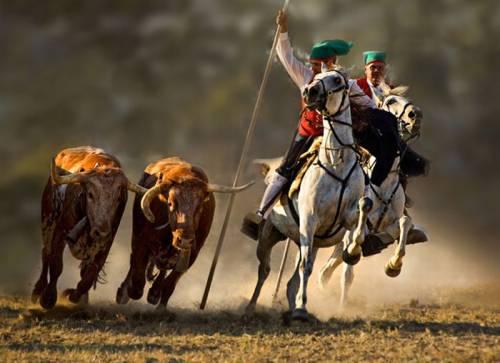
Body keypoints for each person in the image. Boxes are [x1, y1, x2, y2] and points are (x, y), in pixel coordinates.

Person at [246, 10, 402, 226]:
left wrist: (385, 115)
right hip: (308, 132)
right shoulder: (304, 76)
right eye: (313, 63)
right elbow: (285, 55)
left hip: (340, 134)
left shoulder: (343, 81)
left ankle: (365, 221)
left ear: (332, 61)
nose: (314, 67)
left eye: (319, 63)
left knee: (365, 166)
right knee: (285, 170)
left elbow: (368, 104)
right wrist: (282, 30)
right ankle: (261, 214)